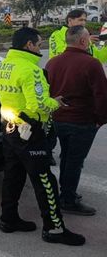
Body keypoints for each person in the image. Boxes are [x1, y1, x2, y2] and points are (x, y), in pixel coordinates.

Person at [0, 27, 84, 246]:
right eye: (38, 43)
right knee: (44, 180)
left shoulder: (4, 65)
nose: (40, 46)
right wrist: (56, 102)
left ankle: (8, 219)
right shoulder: (30, 70)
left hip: (9, 128)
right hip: (30, 132)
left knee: (13, 175)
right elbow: (38, 104)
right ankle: (54, 229)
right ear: (29, 45)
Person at [45, 25, 107, 216]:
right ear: (82, 41)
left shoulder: (52, 63)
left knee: (67, 157)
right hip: (82, 121)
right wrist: (100, 120)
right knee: (74, 161)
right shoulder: (91, 63)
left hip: (58, 118)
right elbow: (102, 95)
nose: (90, 41)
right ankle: (68, 199)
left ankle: (65, 193)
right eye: (88, 38)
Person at [46, 8, 107, 164]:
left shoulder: (85, 39)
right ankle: (49, 152)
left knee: (72, 154)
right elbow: (61, 53)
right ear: (70, 21)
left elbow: (99, 58)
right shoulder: (59, 35)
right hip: (64, 84)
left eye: (85, 20)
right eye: (80, 20)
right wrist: (80, 45)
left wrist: (104, 45)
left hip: (83, 84)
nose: (83, 23)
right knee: (58, 127)